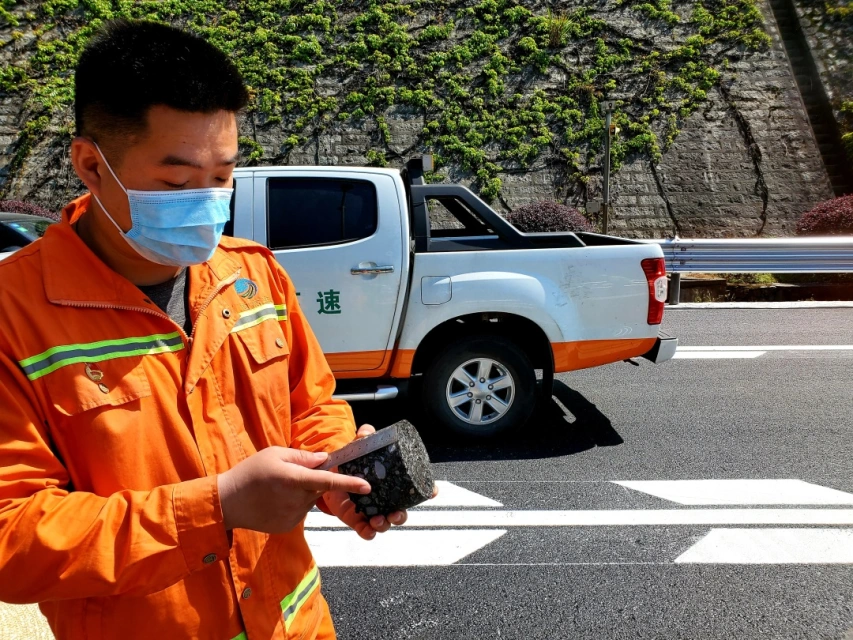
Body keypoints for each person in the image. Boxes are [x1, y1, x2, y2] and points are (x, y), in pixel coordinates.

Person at [0, 19, 417, 639]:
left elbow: (312, 403)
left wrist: (338, 471)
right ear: (90, 164)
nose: (206, 201)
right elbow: (12, 538)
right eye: (176, 182)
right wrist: (214, 506)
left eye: (222, 176)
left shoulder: (250, 275)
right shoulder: (15, 314)